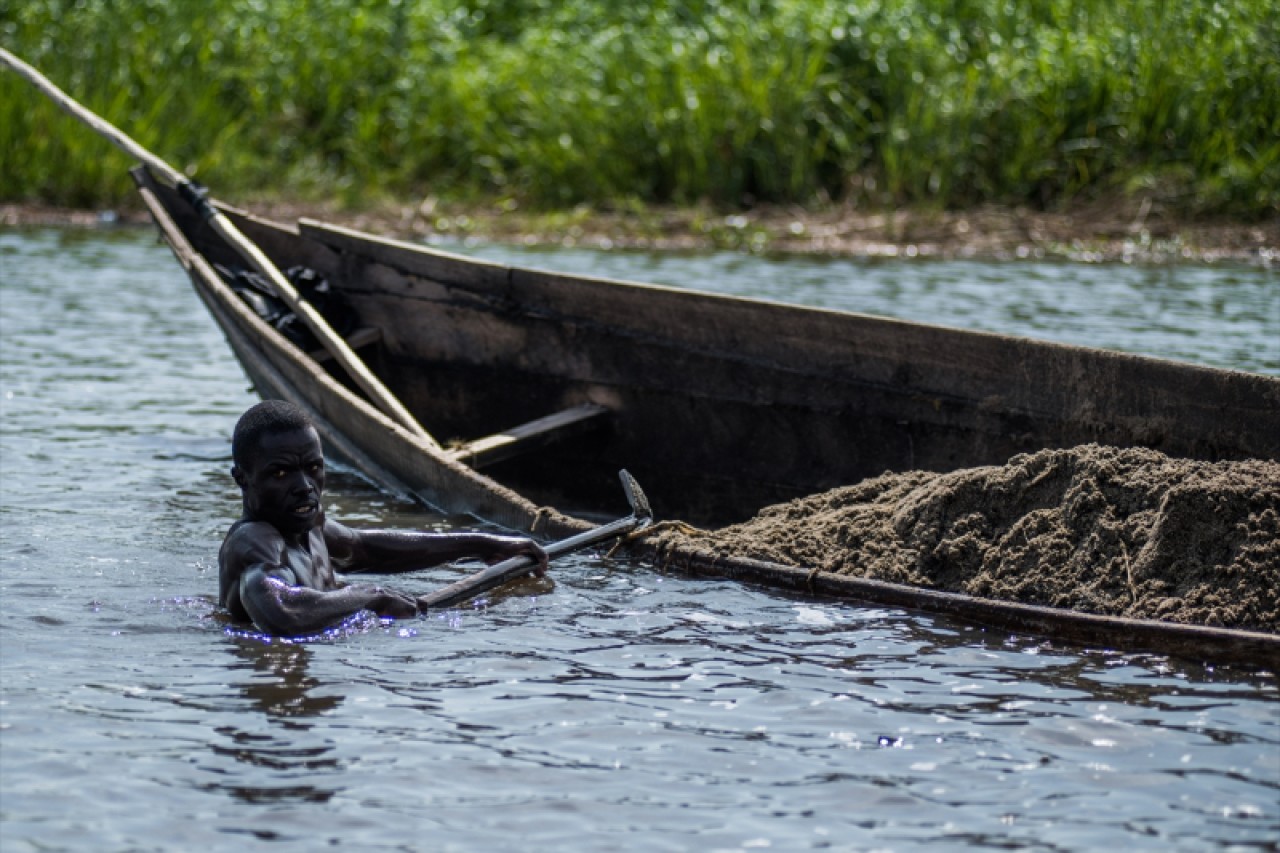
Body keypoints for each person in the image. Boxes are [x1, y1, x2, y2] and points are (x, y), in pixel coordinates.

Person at [218, 400, 548, 635]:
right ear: (242, 478)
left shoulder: (309, 524)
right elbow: (284, 613)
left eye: (314, 468)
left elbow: (363, 549)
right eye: (280, 473)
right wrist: (371, 597)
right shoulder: (254, 543)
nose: (304, 486)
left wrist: (481, 544)